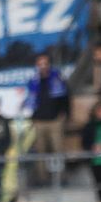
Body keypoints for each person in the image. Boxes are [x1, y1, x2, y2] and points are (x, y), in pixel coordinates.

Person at [24, 54, 71, 183]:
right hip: (39, 121)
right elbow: (30, 100)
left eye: (45, 63)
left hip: (55, 120)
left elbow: (66, 98)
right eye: (40, 64)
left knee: (58, 149)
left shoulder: (58, 79)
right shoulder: (33, 81)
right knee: (40, 151)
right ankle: (42, 178)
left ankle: (61, 178)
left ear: (49, 64)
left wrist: (64, 115)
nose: (43, 66)